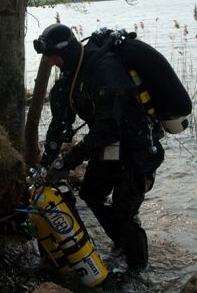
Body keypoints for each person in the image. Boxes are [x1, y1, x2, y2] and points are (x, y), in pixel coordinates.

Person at [33, 23, 166, 270]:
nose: (52, 63)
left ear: (67, 52)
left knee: (124, 212)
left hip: (137, 145)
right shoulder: (70, 77)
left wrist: (68, 160)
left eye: (54, 57)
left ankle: (138, 273)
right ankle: (121, 244)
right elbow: (60, 123)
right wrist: (46, 163)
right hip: (111, 142)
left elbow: (107, 129)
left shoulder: (104, 70)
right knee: (92, 193)